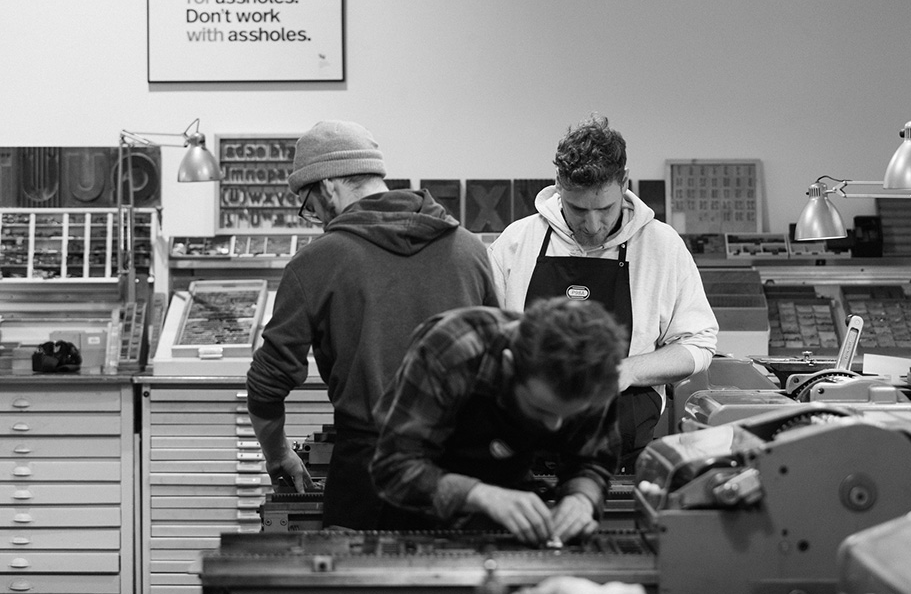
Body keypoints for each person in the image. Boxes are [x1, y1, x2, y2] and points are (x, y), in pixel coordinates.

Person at [246, 120, 498, 530]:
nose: (315, 218)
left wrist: (277, 453)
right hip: (465, 467)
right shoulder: (470, 250)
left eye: (309, 207)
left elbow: (265, 385)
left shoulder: (315, 263)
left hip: (370, 470)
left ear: (327, 187)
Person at [488, 114, 718, 472]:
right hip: (523, 454)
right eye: (578, 209)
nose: (592, 225)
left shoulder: (661, 246)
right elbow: (486, 339)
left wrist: (629, 369)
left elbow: (699, 344)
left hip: (620, 456)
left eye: (605, 209)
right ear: (559, 185)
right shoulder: (518, 243)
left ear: (624, 183)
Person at [370, 297, 625, 546]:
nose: (554, 426)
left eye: (569, 416)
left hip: (506, 508)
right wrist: (480, 494)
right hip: (417, 518)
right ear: (508, 365)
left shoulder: (597, 376)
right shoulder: (453, 350)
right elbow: (394, 466)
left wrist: (581, 499)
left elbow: (592, 461)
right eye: (540, 409)